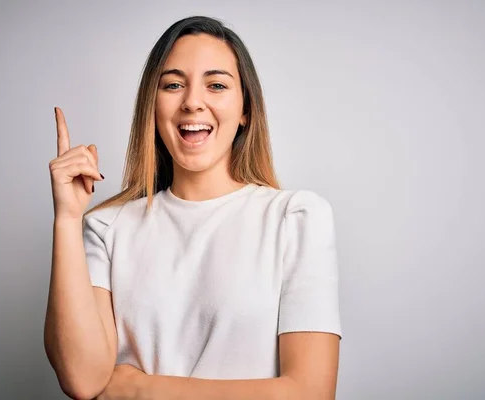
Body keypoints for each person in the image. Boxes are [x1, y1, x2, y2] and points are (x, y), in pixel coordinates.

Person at [44, 15, 342, 400]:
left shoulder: (296, 218)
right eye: (172, 85)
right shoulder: (105, 228)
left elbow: (311, 393)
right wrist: (67, 218)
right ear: (152, 106)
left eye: (216, 85)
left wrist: (141, 389)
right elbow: (82, 380)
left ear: (245, 110)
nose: (192, 102)